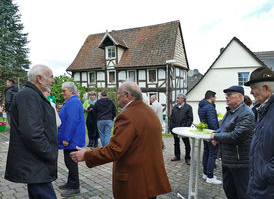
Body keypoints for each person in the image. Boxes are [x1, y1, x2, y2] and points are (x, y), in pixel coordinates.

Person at [70, 81, 171, 199]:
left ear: (127, 95)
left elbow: (114, 150)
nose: (117, 96)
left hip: (135, 183)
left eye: (118, 93)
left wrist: (86, 155)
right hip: (150, 180)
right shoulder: (149, 111)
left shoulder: (127, 116)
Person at [5, 65, 58, 199]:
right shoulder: (28, 95)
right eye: (51, 77)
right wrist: (49, 152)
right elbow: (32, 133)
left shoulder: (33, 95)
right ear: (39, 78)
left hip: (37, 162)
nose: (53, 81)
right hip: (36, 162)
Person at [210, 85, 255, 199]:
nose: (227, 97)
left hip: (240, 163)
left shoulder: (246, 114)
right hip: (228, 160)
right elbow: (223, 128)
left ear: (240, 97)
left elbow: (236, 136)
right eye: (226, 95)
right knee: (229, 191)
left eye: (230, 95)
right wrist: (216, 134)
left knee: (242, 194)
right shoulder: (231, 111)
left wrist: (217, 136)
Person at [244, 67, 274, 198]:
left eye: (253, 88)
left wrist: (265, 174)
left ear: (266, 88)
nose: (251, 92)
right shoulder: (263, 110)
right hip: (260, 185)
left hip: (268, 187)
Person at [57, 81, 86, 197]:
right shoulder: (71, 101)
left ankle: (75, 187)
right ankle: (70, 183)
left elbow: (72, 121)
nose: (62, 93)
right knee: (69, 162)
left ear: (71, 90)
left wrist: (66, 138)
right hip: (71, 139)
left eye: (64, 90)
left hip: (71, 139)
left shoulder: (73, 102)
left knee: (71, 162)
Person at [198, 90, 222, 185]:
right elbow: (212, 123)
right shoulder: (210, 107)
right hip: (211, 133)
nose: (215, 99)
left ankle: (205, 173)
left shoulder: (201, 106)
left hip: (205, 132)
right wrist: (216, 135)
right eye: (214, 97)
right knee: (212, 154)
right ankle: (210, 176)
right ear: (211, 97)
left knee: (206, 153)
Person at [169, 93, 193, 165]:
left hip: (183, 129)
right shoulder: (175, 107)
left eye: (178, 98)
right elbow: (172, 118)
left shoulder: (188, 107)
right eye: (177, 98)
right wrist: (171, 127)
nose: (177, 99)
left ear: (183, 99)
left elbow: (190, 118)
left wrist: (185, 127)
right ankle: (177, 156)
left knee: (187, 144)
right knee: (176, 143)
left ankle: (187, 158)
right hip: (175, 128)